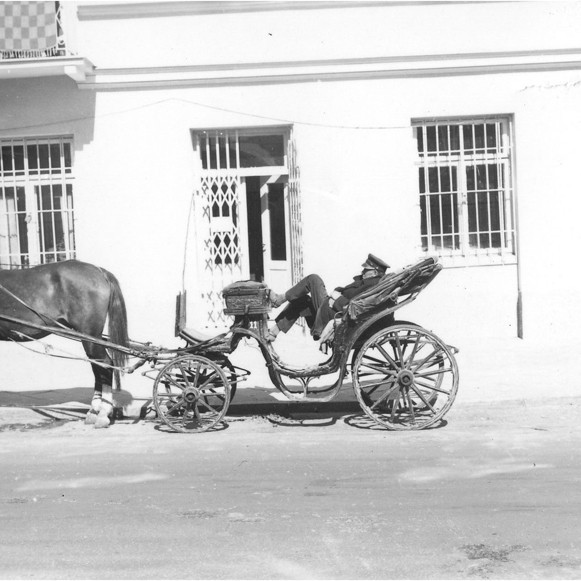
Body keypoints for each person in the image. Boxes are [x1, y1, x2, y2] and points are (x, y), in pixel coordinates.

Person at [267, 254, 389, 342]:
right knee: (303, 300)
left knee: (313, 279)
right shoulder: (368, 281)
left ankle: (279, 300)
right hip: (331, 309)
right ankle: (273, 332)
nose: (362, 271)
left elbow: (355, 308)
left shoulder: (371, 285)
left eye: (366, 269)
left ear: (374, 272)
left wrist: (336, 299)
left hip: (336, 313)